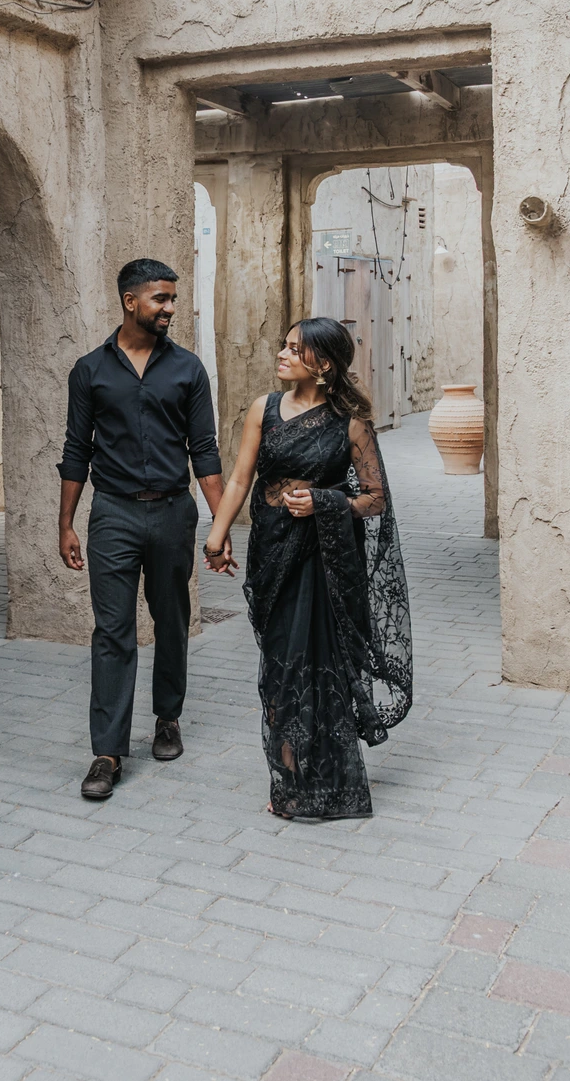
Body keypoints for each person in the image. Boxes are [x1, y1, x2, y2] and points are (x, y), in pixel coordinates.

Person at [201, 317, 412, 819]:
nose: (282, 353)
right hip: (273, 553)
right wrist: (216, 534)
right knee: (279, 665)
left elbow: (377, 498)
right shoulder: (264, 409)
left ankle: (301, 780)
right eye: (285, 345)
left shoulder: (350, 424)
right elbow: (239, 480)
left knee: (316, 663)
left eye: (295, 349)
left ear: (323, 364)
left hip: (324, 562)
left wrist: (324, 502)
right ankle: (289, 767)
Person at [58, 259, 225, 800]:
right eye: (161, 299)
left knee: (172, 619)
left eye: (172, 299)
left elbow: (204, 450)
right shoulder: (89, 370)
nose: (170, 309)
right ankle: (106, 752)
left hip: (174, 511)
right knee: (112, 631)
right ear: (131, 301)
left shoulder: (188, 370)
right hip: (113, 515)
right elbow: (75, 451)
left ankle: (168, 717)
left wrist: (220, 527)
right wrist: (67, 524)